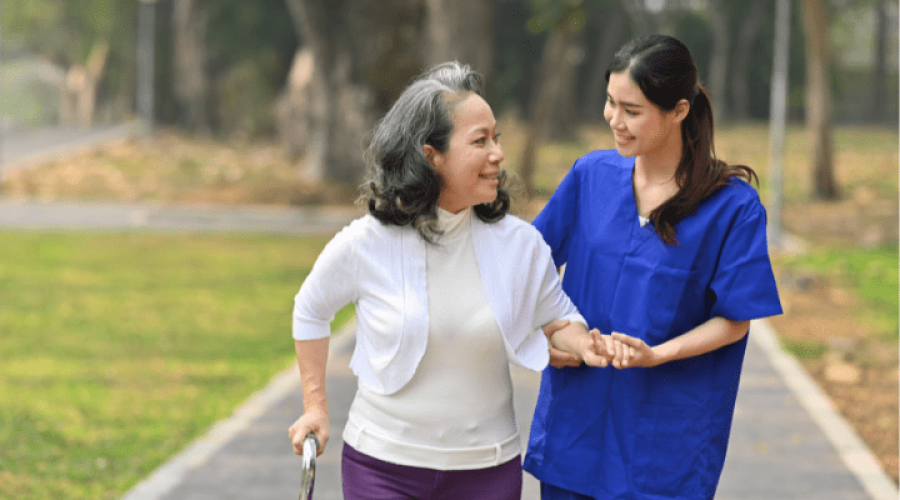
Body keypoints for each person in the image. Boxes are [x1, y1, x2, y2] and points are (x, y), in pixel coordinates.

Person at [288, 61, 612, 500]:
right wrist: (315, 408)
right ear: (431, 155)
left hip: (488, 472)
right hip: (381, 469)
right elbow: (311, 309)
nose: (497, 153)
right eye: (480, 141)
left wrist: (582, 343)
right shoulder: (367, 242)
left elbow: (558, 318)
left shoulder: (521, 244)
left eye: (496, 138)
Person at [523, 35, 783, 500]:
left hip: (665, 448)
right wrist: (547, 333)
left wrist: (656, 355)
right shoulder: (590, 176)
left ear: (679, 110)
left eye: (632, 110)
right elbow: (526, 268)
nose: (613, 121)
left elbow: (734, 321)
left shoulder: (733, 208)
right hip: (576, 432)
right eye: (609, 102)